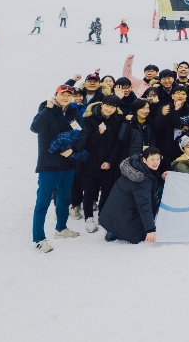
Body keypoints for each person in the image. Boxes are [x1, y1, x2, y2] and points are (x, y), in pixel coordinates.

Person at [31, 84, 84, 252]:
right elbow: (35, 128)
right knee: (43, 202)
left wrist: (73, 150)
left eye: (70, 94)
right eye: (63, 94)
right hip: (49, 165)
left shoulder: (72, 113)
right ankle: (39, 238)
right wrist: (47, 109)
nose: (66, 97)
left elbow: (82, 133)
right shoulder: (46, 110)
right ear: (56, 95)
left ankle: (61, 228)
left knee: (63, 199)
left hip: (68, 164)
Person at [76, 95, 124, 233]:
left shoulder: (117, 121)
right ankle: (89, 218)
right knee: (89, 191)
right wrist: (99, 132)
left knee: (107, 190)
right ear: (102, 104)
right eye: (107, 105)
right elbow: (86, 143)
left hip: (107, 162)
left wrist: (109, 161)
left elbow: (116, 144)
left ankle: (102, 215)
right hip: (89, 161)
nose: (109, 109)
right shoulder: (89, 119)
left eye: (113, 107)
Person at [100, 148, 164, 244]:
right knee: (157, 196)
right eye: (152, 159)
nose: (156, 162)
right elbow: (144, 206)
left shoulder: (135, 166)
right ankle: (116, 233)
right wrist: (150, 230)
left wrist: (161, 176)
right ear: (144, 159)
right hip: (123, 219)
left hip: (112, 215)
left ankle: (113, 230)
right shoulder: (140, 179)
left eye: (158, 159)